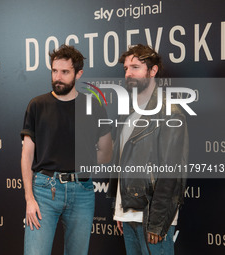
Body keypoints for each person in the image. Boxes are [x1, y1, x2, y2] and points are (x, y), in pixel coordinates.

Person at [21, 44, 113, 255]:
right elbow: (26, 155)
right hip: (44, 191)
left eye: (65, 72)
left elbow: (107, 152)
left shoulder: (94, 106)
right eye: (54, 71)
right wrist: (29, 199)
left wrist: (85, 159)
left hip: (82, 191)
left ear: (78, 74)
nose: (58, 77)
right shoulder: (37, 105)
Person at [107, 44, 188, 255]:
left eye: (135, 67)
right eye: (126, 68)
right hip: (129, 214)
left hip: (152, 216)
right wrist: (120, 210)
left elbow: (172, 171)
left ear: (153, 71)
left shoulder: (170, 112)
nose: (128, 73)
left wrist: (157, 221)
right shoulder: (127, 112)